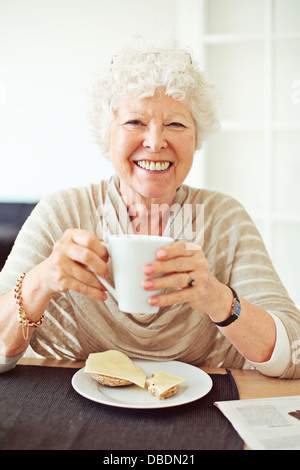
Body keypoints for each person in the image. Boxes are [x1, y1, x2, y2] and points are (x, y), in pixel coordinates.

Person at [0, 36, 299, 378]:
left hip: (196, 415)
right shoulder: (61, 212)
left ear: (196, 137)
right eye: (134, 122)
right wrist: (41, 282)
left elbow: (295, 354)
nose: (155, 142)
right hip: (78, 409)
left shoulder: (224, 219)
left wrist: (218, 299)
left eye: (175, 124)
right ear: (106, 134)